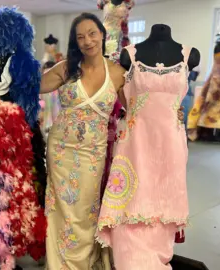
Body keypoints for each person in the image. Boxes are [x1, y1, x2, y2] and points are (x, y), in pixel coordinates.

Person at [40, 12, 184, 269]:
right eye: (81, 36)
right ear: (75, 41)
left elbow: (139, 107)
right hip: (61, 150)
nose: (88, 41)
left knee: (85, 211)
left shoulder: (118, 73)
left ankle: (83, 260)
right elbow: (32, 85)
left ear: (103, 35)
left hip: (93, 153)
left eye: (92, 34)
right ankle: (59, 263)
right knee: (61, 211)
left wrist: (170, 110)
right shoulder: (66, 68)